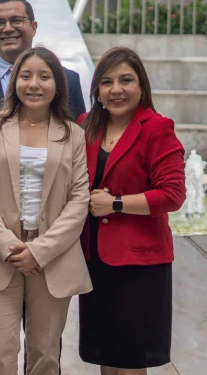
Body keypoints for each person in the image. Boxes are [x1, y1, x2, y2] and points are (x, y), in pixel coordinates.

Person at [0, 0, 86, 374]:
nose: (34, 84)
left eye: (44, 76)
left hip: (52, 254)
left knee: (46, 354)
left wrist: (40, 249)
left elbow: (79, 197)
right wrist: (11, 246)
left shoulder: (71, 132)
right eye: (26, 76)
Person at [78, 47, 186, 375]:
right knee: (106, 354)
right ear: (96, 92)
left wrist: (117, 203)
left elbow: (172, 194)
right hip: (94, 259)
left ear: (141, 87)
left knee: (131, 359)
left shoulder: (157, 128)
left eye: (126, 80)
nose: (117, 89)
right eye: (107, 82)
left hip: (139, 264)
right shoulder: (85, 125)